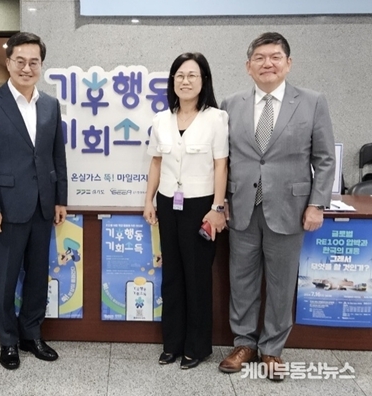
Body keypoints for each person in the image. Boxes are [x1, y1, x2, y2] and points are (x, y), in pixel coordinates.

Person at [218, 32, 335, 381]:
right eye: (259, 58)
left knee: (282, 283)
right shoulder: (230, 104)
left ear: (288, 63)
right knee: (241, 280)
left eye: (275, 57)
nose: (267, 63)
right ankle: (244, 343)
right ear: (248, 66)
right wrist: (221, 202)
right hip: (242, 207)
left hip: (290, 209)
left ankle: (272, 348)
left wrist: (317, 204)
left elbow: (325, 159)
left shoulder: (312, 102)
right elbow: (223, 159)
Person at [0, 31, 68, 371]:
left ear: (41, 65)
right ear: (9, 62)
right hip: (6, 208)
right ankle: (8, 341)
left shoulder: (50, 105)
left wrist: (60, 199)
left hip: (43, 205)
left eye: (34, 62)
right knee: (6, 278)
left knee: (38, 276)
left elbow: (57, 156)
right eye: (20, 61)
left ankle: (31, 334)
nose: (27, 68)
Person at [143, 52, 228, 370]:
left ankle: (197, 346)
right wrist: (149, 200)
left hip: (200, 206)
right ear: (172, 81)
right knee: (172, 276)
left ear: (204, 80)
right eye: (179, 75)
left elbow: (221, 166)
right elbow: (156, 162)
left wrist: (217, 207)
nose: (185, 81)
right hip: (168, 203)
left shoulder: (216, 118)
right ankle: (172, 344)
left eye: (192, 75)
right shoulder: (161, 119)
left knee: (197, 277)